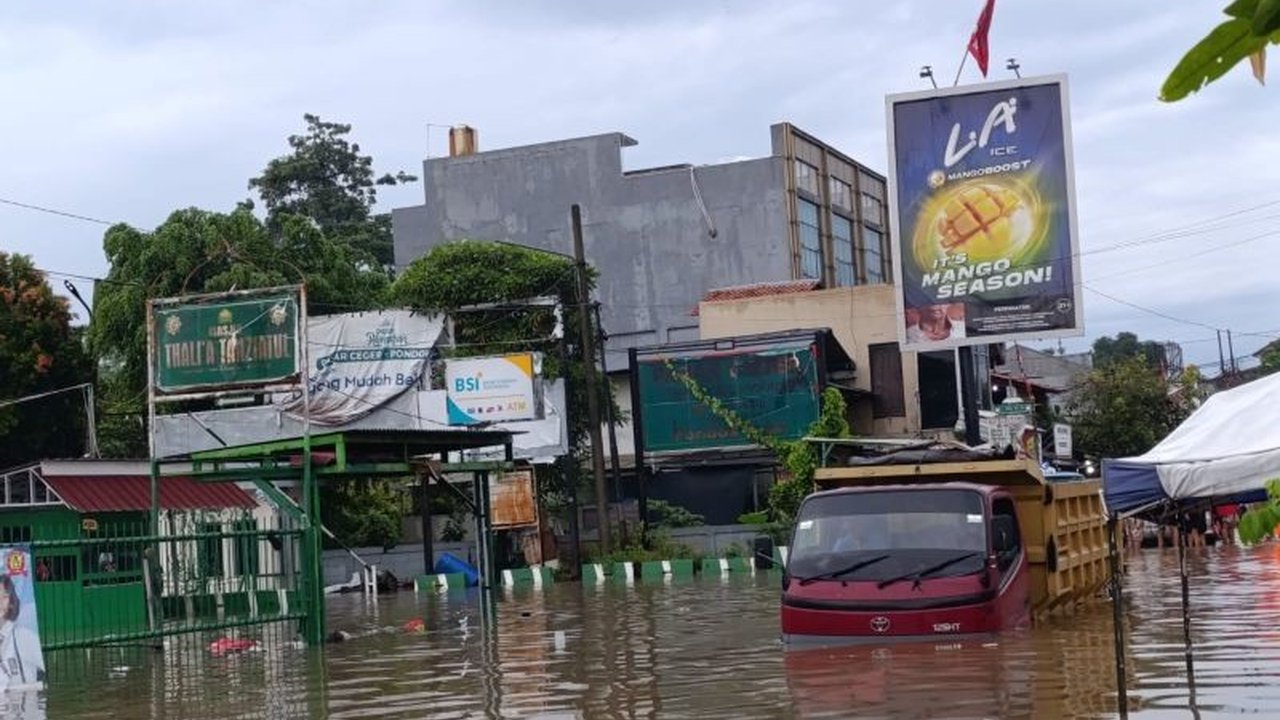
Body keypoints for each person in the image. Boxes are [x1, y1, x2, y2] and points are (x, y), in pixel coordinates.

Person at [0, 575, 44, 690]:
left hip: (22, 701)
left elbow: (41, 674)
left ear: (11, 602)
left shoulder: (23, 636)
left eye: (4, 597)